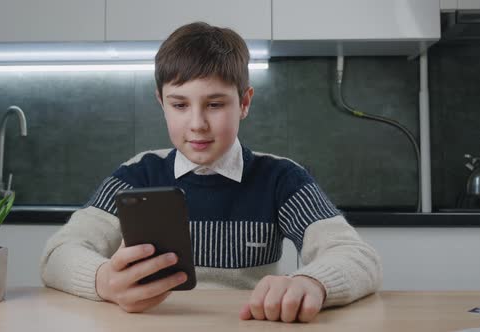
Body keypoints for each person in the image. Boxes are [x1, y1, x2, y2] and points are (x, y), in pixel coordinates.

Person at [40, 21, 382, 323]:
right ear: (161, 104)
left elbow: (356, 255)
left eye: (215, 104)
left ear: (244, 103)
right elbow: (59, 253)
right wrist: (104, 281)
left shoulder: (281, 179)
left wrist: (312, 282)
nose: (198, 124)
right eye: (180, 105)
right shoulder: (137, 174)